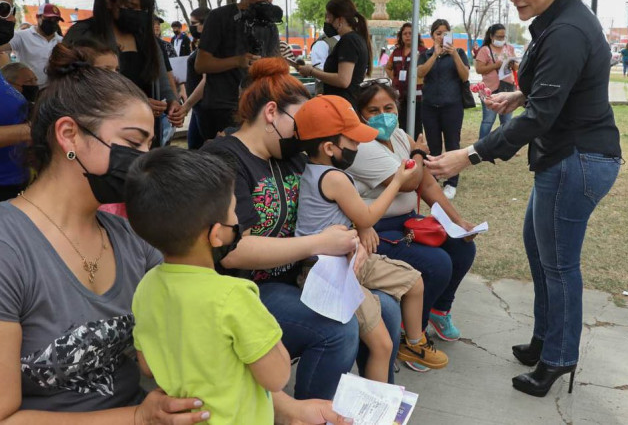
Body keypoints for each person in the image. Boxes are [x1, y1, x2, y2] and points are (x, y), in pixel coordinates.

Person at [425, 0, 622, 398]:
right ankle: (544, 339)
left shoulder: (568, 29)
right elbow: (555, 93)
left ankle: (559, 356)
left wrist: (467, 155)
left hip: (577, 158)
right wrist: (520, 94)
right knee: (540, 253)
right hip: (563, 154)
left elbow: (545, 116)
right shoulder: (557, 20)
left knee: (559, 266)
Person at [0, 46, 211, 422]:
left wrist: (288, 407)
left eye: (150, 146)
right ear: (69, 135)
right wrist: (137, 418)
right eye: (133, 143)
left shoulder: (131, 238)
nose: (143, 161)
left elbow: (188, 346)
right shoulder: (8, 245)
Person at [201, 58, 402, 400]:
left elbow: (333, 204)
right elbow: (234, 253)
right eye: (299, 123)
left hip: (305, 276)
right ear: (270, 113)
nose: (304, 133)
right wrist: (319, 243)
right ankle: (311, 415)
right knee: (338, 329)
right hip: (248, 288)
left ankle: (372, 407)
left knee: (389, 309)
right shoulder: (224, 159)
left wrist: (356, 238)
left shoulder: (292, 156)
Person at [127, 147, 291, 425]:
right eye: (232, 210)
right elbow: (277, 377)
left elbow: (147, 366)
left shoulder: (145, 287)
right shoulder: (234, 296)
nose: (238, 219)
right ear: (216, 235)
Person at [293, 95, 447, 380]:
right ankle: (377, 407)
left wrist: (362, 227)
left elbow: (356, 218)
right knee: (382, 345)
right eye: (352, 141)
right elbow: (367, 216)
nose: (358, 146)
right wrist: (398, 181)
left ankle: (414, 344)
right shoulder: (334, 178)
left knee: (413, 280)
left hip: (350, 260)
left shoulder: (323, 171)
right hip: (328, 273)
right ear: (329, 148)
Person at [348, 80, 478, 370]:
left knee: (462, 247)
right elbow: (411, 180)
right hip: (377, 230)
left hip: (408, 223)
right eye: (373, 110)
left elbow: (428, 183)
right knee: (436, 263)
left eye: (388, 107)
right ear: (360, 114)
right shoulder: (362, 147)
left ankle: (438, 310)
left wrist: (458, 222)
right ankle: (412, 337)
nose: (383, 115)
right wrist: (418, 152)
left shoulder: (399, 136)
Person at [63, 0, 183, 132]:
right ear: (109, 1)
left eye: (144, 10)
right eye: (131, 7)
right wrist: (133, 105)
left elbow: (162, 78)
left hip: (145, 133)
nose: (138, 14)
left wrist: (172, 102)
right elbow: (73, 89)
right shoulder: (83, 35)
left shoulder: (147, 39)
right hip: (100, 132)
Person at [196, 0, 280, 139]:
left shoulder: (270, 25)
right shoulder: (219, 17)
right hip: (221, 109)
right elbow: (201, 64)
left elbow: (274, 66)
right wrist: (237, 61)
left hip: (255, 107)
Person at [417, 19, 470, 200]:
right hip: (430, 106)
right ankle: (434, 179)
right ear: (432, 35)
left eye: (445, 33)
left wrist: (453, 54)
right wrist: (434, 55)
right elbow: (420, 73)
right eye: (438, 33)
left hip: (452, 106)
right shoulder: (425, 54)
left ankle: (451, 182)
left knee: (452, 144)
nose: (441, 37)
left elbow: (465, 76)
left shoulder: (459, 53)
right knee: (433, 147)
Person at [297, 0, 372, 106]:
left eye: (329, 17)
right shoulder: (355, 39)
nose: (327, 21)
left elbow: (343, 80)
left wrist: (312, 72)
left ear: (340, 19)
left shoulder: (349, 40)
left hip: (342, 107)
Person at [0, 0, 31, 202]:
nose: (9, 18)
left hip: (15, 185)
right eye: (3, 9)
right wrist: (32, 129)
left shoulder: (1, 60)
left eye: (12, 10)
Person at [0, 3, 63, 85]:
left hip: (54, 91)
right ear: (38, 17)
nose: (52, 22)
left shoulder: (62, 41)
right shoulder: (21, 36)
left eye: (56, 20)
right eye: (49, 18)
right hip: (31, 90)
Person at [475, 23, 517, 139]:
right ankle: (481, 145)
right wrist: (495, 65)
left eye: (503, 37)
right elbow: (479, 69)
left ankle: (505, 146)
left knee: (507, 121)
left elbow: (516, 67)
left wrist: (513, 64)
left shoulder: (509, 48)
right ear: (491, 36)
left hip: (507, 88)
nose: (501, 39)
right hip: (489, 90)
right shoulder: (485, 50)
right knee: (488, 120)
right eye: (498, 37)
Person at [178, 6, 211, 149]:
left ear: (206, 23)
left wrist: (186, 106)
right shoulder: (203, 44)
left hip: (205, 108)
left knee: (198, 150)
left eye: (193, 24)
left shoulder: (210, 45)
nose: (190, 27)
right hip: (198, 108)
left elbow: (206, 80)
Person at [385, 23, 425, 139]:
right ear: (401, 36)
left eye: (410, 33)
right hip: (400, 96)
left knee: (417, 127)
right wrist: (395, 79)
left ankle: (417, 152)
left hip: (417, 96)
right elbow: (388, 67)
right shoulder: (397, 52)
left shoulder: (422, 51)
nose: (407, 36)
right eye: (405, 33)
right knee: (402, 126)